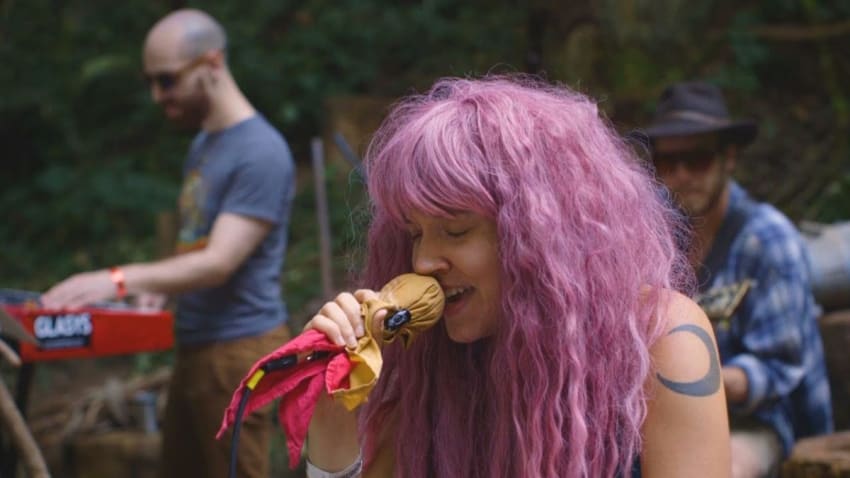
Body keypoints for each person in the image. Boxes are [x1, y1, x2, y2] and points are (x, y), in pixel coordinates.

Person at [298, 77, 730, 477]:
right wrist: (334, 417)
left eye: (456, 230)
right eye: (415, 234)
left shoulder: (664, 336)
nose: (425, 261)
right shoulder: (429, 359)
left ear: (540, 234)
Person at [41, 9, 295, 478]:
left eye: (167, 80)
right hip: (195, 348)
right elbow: (198, 245)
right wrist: (165, 286)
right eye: (151, 82)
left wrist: (115, 279)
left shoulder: (261, 151)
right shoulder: (204, 145)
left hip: (239, 351)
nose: (158, 96)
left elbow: (220, 262)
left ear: (211, 63)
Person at [638, 81, 833, 477]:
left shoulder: (768, 241)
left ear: (729, 158)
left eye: (697, 160)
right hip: (661, 413)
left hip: (763, 422)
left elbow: (777, 371)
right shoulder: (650, 239)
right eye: (667, 163)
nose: (681, 175)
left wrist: (679, 375)